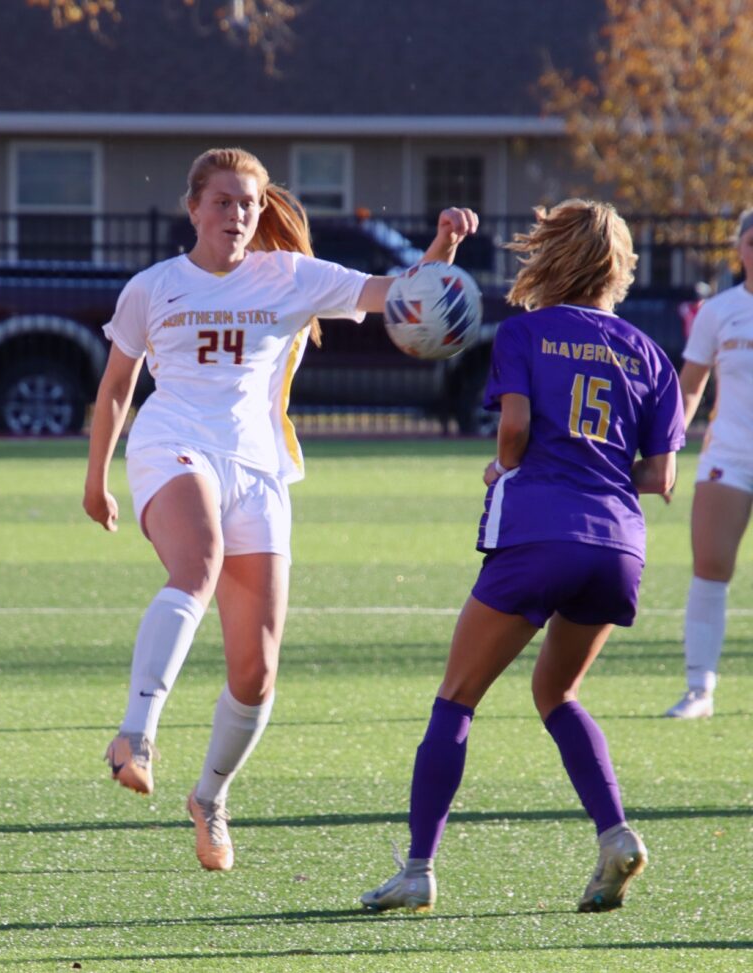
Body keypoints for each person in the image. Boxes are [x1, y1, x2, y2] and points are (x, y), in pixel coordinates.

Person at [82, 146, 478, 871]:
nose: (237, 215)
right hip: (172, 444)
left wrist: (443, 249)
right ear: (194, 207)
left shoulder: (290, 277)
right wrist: (96, 478)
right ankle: (134, 734)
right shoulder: (153, 287)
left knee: (255, 671)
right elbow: (116, 387)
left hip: (257, 468)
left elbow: (396, 296)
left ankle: (209, 797)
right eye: (223, 201)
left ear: (263, 213)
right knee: (195, 567)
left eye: (249, 204)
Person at [360, 199, 685, 915]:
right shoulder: (651, 354)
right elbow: (661, 478)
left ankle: (418, 868)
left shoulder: (527, 332)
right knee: (557, 693)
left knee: (456, 697)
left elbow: (514, 429)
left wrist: (505, 467)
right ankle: (615, 833)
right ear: (619, 266)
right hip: (618, 545)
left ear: (551, 255)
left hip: (538, 531)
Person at [664, 208, 753, 719]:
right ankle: (700, 688)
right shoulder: (720, 311)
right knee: (711, 567)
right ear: (740, 249)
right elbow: (692, 383)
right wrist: (668, 447)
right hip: (730, 457)